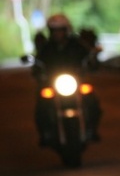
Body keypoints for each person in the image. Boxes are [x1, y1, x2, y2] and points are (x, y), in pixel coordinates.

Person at [34, 13, 102, 143]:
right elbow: (38, 64)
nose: (57, 34)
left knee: (92, 100)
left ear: (66, 30)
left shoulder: (77, 45)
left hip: (75, 82)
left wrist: (93, 60)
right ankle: (46, 133)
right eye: (54, 31)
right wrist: (38, 72)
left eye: (60, 30)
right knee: (41, 102)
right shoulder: (46, 48)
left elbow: (89, 58)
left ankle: (92, 129)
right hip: (53, 84)